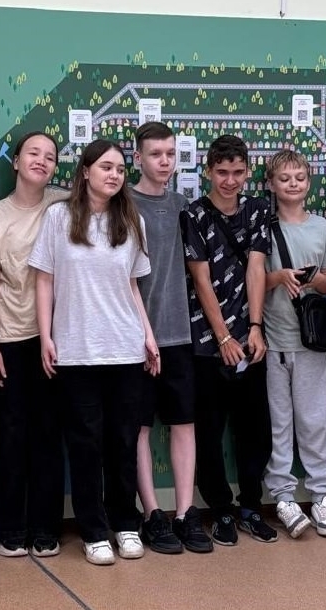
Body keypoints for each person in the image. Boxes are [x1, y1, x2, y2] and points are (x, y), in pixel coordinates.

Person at [29, 139, 160, 566]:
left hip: (124, 348)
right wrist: (46, 335)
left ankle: (126, 524)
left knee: (123, 442)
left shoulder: (132, 219)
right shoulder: (58, 216)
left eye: (120, 169)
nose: (114, 175)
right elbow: (44, 279)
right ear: (85, 171)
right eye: (106, 167)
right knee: (85, 444)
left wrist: (148, 336)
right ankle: (94, 530)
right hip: (77, 349)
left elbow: (133, 286)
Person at [181, 134, 278, 546]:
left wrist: (254, 327)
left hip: (249, 338)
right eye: (222, 172)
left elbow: (256, 268)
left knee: (255, 430)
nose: (230, 180)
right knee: (209, 431)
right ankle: (220, 509)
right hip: (207, 341)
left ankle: (251, 506)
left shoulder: (258, 210)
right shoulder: (194, 214)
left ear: (248, 172)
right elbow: (200, 279)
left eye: (238, 172)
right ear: (208, 171)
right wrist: (222, 336)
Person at [0, 132, 67, 557]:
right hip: (9, 339)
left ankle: (46, 528)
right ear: (15, 161)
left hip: (56, 341)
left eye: (50, 157)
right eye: (34, 153)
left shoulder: (64, 206)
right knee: (9, 436)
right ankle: (7, 528)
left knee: (48, 435)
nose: (41, 161)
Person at [129, 122, 212, 554]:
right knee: (139, 428)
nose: (165, 161)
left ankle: (184, 512)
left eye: (170, 154)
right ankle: (152, 514)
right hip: (134, 338)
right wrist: (142, 333)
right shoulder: (122, 204)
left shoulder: (184, 206)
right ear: (138, 158)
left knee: (184, 423)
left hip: (180, 335)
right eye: (155, 154)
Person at [261, 149, 326, 539]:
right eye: (284, 178)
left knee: (314, 421)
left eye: (299, 178)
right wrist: (279, 277)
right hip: (274, 342)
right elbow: (253, 281)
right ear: (271, 184)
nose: (293, 184)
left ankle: (322, 494)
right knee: (279, 423)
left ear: (309, 182)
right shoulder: (263, 228)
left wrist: (311, 279)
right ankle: (282, 496)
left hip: (311, 343)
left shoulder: (323, 228)